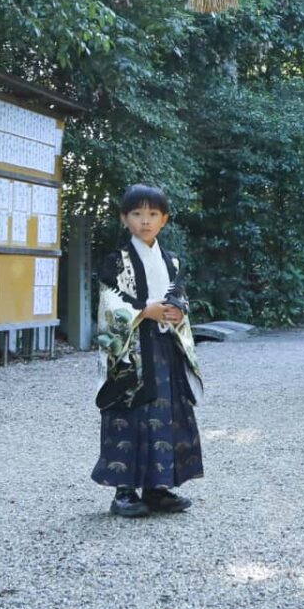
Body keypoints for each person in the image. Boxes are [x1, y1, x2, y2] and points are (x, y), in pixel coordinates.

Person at [91, 183, 204, 518]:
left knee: (166, 414)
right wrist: (143, 311)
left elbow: (179, 296)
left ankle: (157, 487)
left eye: (153, 214)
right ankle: (124, 491)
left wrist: (177, 312)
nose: (145, 221)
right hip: (131, 352)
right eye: (137, 214)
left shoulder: (172, 261)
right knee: (129, 414)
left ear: (164, 219)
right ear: (124, 218)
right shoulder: (116, 262)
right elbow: (110, 304)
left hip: (165, 346)